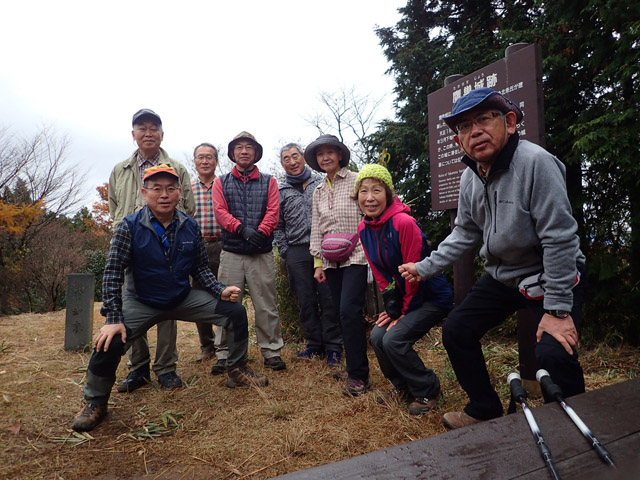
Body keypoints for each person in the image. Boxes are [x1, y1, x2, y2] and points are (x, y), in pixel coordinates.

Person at [399, 88, 587, 430]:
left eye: (484, 119)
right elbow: (464, 233)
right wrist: (424, 268)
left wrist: (558, 311)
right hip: (504, 276)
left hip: (551, 272)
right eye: (464, 127)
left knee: (554, 351)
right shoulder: (470, 177)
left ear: (509, 122)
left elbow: (559, 238)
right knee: (457, 329)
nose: (475, 132)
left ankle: (570, 424)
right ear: (458, 141)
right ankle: (484, 408)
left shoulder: (536, 163)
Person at [72, 165, 267, 432]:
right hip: (142, 300)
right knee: (109, 341)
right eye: (157, 189)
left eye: (170, 189)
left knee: (235, 312)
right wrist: (113, 318)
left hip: (181, 297)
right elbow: (113, 272)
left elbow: (199, 268)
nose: (164, 194)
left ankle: (236, 369)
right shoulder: (129, 226)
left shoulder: (190, 226)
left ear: (179, 193)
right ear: (144, 193)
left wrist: (219, 290)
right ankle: (95, 402)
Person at [108, 109, 195, 392]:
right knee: (131, 302)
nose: (148, 133)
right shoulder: (120, 169)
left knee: (168, 305)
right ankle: (138, 367)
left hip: (167, 247)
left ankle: (166, 368)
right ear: (133, 134)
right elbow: (113, 205)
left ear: (162, 134)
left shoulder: (177, 167)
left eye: (154, 128)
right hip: (131, 246)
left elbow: (188, 207)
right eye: (142, 128)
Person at [354, 164, 453, 415]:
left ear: (388, 194)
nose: (369, 197)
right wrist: (392, 306)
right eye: (364, 191)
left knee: (394, 339)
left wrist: (403, 312)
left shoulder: (404, 223)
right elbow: (379, 272)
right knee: (377, 337)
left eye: (377, 190)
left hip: (430, 296)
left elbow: (414, 274)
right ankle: (403, 386)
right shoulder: (364, 228)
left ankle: (428, 389)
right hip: (406, 299)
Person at [212, 132, 286, 371]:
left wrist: (260, 233)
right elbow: (220, 212)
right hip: (231, 252)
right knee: (227, 302)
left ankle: (272, 351)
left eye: (249, 147)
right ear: (232, 153)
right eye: (239, 147)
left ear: (256, 153)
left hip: (261, 253)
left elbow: (273, 211)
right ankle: (224, 353)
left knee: (266, 304)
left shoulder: (269, 181)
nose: (244, 151)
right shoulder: (221, 182)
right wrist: (243, 230)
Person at [307, 134, 369, 396]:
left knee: (349, 312)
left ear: (340, 155)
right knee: (340, 313)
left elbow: (371, 210)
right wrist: (317, 263)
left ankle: (358, 376)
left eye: (330, 152)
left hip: (357, 254)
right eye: (320, 154)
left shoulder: (357, 180)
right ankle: (354, 364)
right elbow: (316, 226)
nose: (325, 158)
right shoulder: (318, 190)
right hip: (330, 259)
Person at [274, 143, 342, 366]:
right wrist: (285, 251)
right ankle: (314, 345)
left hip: (324, 248)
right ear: (282, 163)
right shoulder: (280, 191)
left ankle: (334, 347)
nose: (292, 162)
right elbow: (277, 225)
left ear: (303, 158)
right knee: (305, 300)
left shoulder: (320, 183)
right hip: (296, 251)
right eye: (286, 158)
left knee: (328, 297)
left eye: (295, 156)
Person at [190, 142, 225, 372]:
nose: (205, 161)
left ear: (216, 161)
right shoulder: (188, 188)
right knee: (199, 295)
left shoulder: (224, 185)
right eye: (200, 157)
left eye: (209, 157)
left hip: (223, 245)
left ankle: (225, 343)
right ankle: (207, 345)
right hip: (197, 247)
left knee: (225, 292)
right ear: (194, 161)